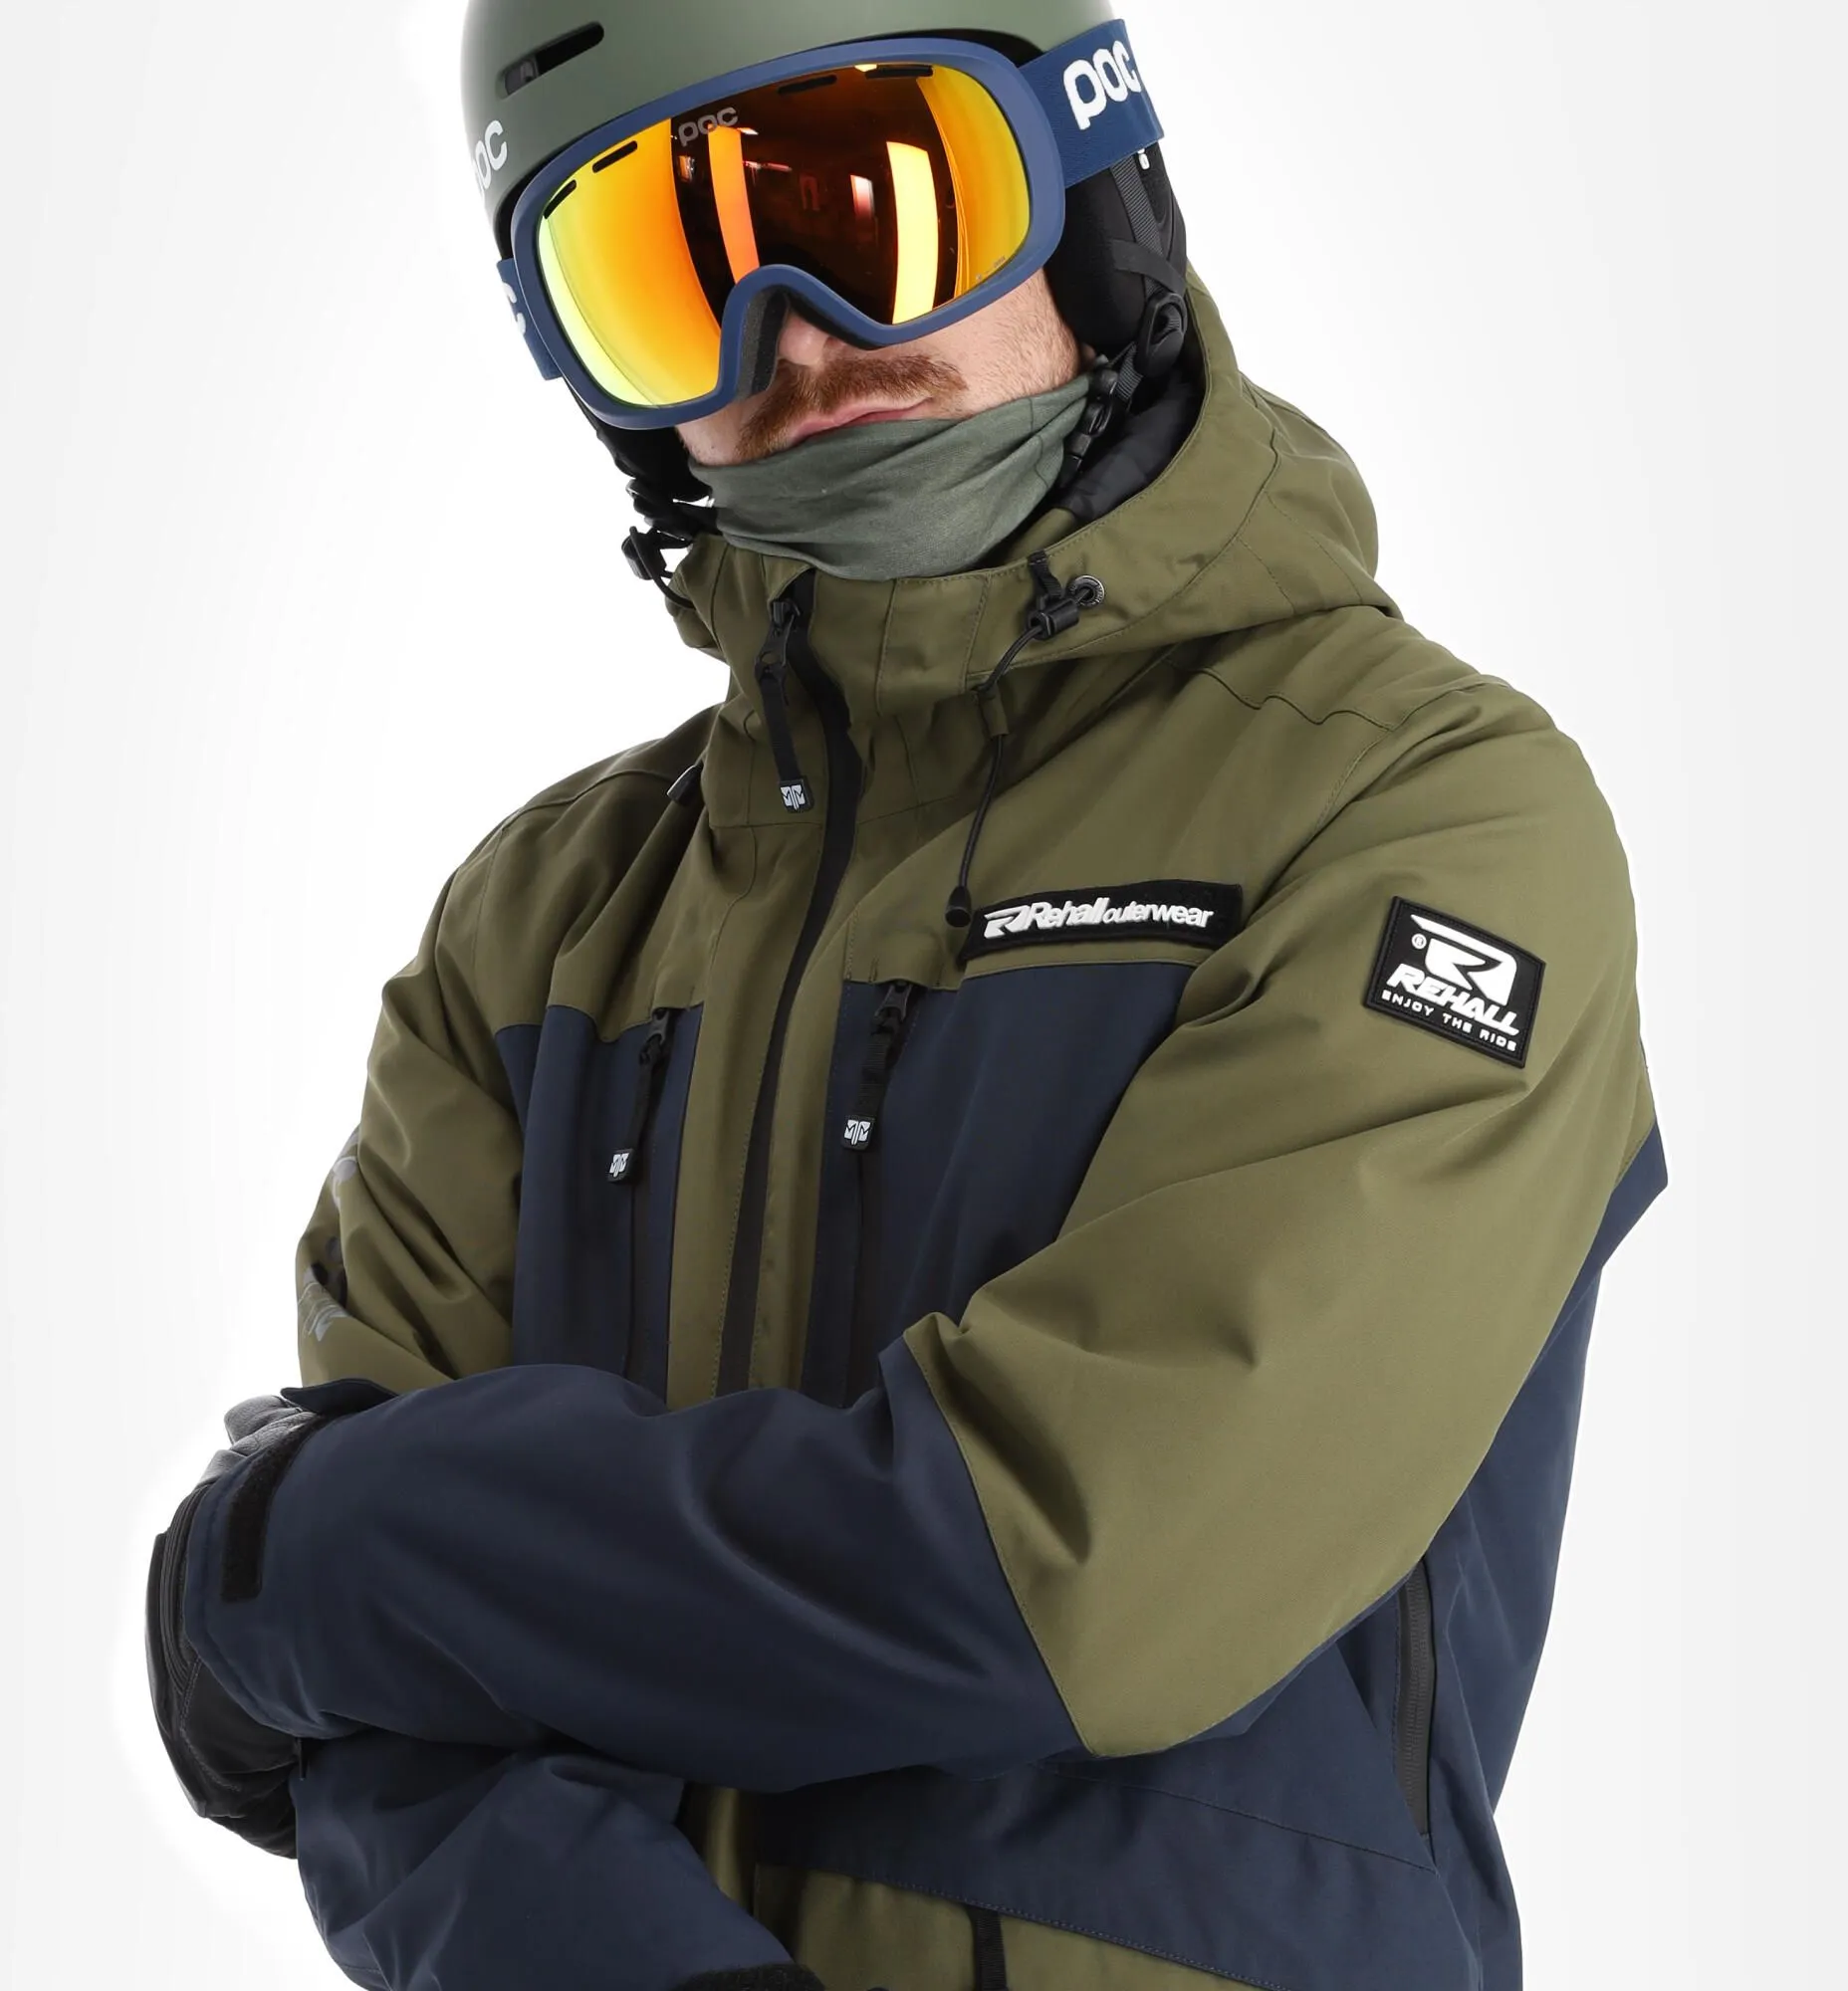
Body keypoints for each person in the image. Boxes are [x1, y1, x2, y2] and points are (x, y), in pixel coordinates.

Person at [143, 3, 1667, 1987]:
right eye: (665, 274)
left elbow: (1078, 1560)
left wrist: (327, 1555)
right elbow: (395, 1753)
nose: (790, 339)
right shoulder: (531, 932)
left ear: (1091, 197)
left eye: (870, 203)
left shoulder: (1413, 809)